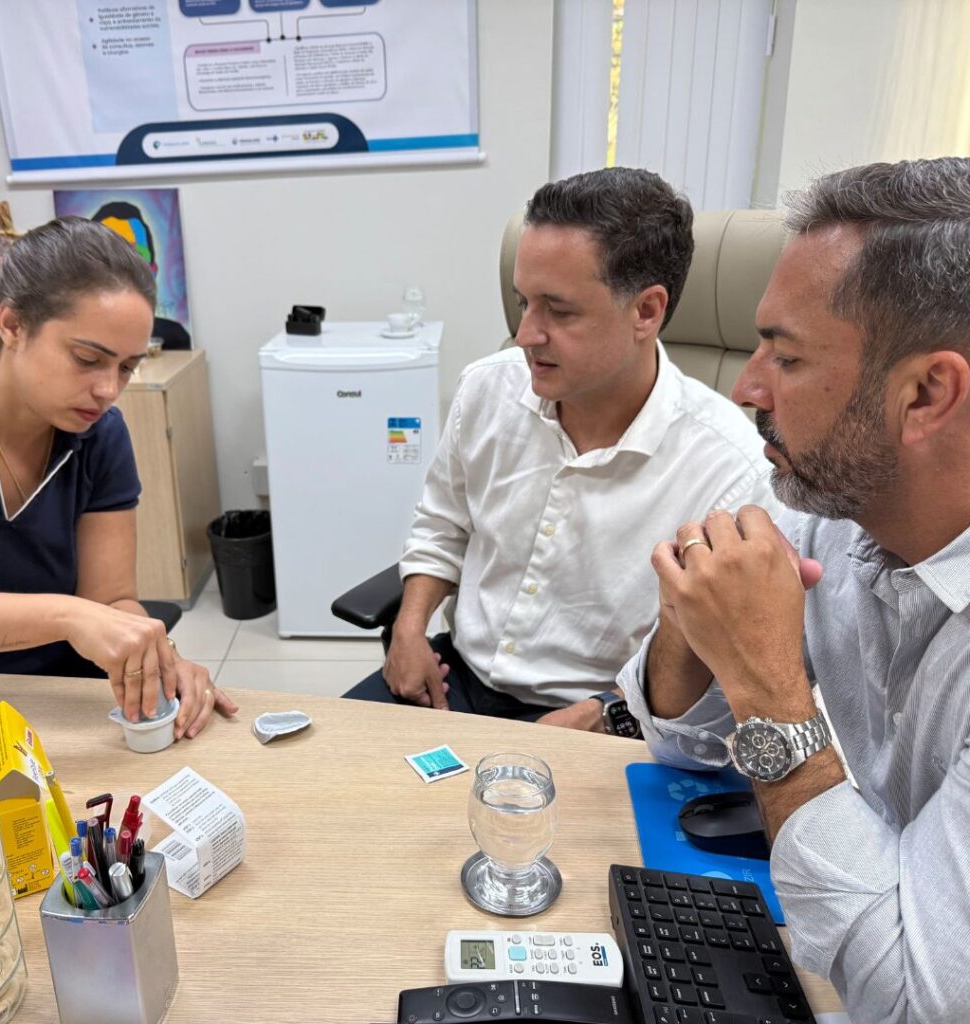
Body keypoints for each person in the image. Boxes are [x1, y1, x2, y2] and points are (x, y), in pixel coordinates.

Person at [623, 157, 970, 1023]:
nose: (746, 387)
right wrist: (693, 618)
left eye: (785, 356)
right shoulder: (841, 514)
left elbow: (915, 1004)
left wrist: (769, 691)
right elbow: (682, 747)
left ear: (927, 392)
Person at [345, 167, 777, 728]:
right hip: (453, 681)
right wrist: (408, 630)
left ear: (646, 311)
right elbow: (442, 526)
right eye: (523, 302)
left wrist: (605, 714)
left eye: (559, 310)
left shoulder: (729, 470)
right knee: (313, 772)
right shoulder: (487, 388)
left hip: (603, 715)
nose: (526, 333)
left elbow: (729, 660)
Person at [0, 216, 236, 739]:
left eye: (126, 367)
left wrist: (159, 655)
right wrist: (65, 616)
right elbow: (80, 615)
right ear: (11, 325)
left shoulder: (101, 435)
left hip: (67, 704)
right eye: (87, 359)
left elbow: (109, 599)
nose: (107, 390)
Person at [91, 201, 191, 350]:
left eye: (136, 256)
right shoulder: (73, 334)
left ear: (153, 271)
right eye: (107, 257)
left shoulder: (173, 338)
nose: (121, 270)